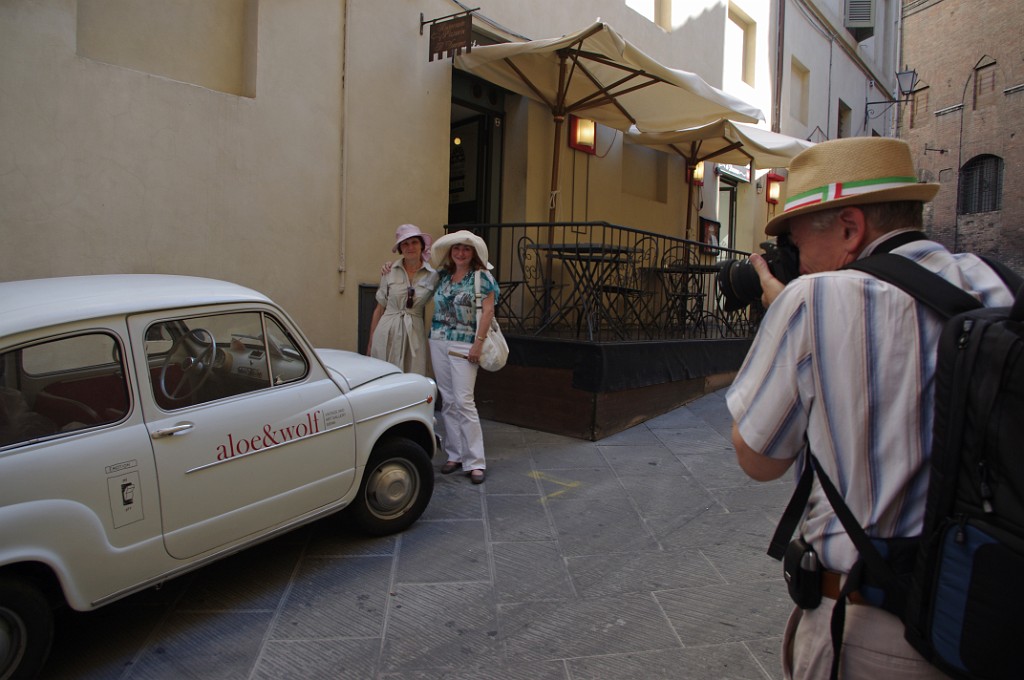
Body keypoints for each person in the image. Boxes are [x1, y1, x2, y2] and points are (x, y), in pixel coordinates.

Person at [726, 137, 1015, 680]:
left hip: (875, 631)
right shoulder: (998, 284)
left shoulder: (813, 302)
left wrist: (781, 319)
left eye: (794, 240)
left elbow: (757, 459)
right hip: (991, 609)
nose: (795, 259)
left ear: (850, 228)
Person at [428, 230, 499, 485]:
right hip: (438, 338)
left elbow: (488, 312)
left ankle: (475, 461)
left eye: (466, 249)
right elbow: (417, 279)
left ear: (474, 254)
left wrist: (478, 345)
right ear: (450, 252)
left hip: (465, 342)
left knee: (464, 400)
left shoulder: (482, 278)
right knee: (447, 399)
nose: (460, 253)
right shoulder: (443, 276)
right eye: (456, 248)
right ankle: (455, 454)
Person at [366, 224, 439, 375]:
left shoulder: (433, 276)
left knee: (413, 376)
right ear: (400, 249)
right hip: (387, 332)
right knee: (384, 377)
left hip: (414, 333)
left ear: (422, 245)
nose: (410, 247)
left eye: (414, 242)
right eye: (405, 244)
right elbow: (379, 309)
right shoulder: (389, 271)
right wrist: (370, 343)